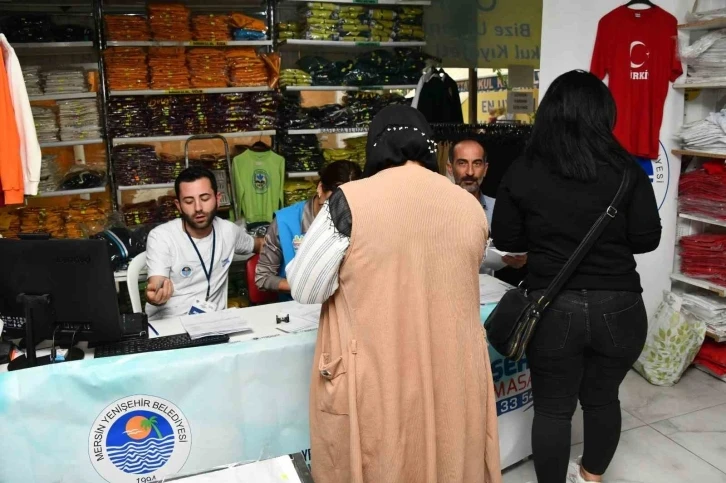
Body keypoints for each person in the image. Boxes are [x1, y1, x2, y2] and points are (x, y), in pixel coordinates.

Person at [287, 105, 502, 483]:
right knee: (450, 457)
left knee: (386, 460)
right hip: (453, 373)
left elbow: (305, 287)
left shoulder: (349, 201)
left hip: (379, 373)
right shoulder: (469, 207)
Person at [491, 70, 661, 483]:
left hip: (553, 308)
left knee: (553, 408)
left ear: (550, 113)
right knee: (603, 399)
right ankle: (590, 477)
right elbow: (647, 239)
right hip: (620, 306)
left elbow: (507, 240)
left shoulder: (524, 169)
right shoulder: (627, 170)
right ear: (604, 114)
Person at [145, 167, 262, 320]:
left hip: (214, 322)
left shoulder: (228, 231)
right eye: (189, 201)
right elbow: (157, 282)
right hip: (172, 323)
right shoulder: (161, 236)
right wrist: (156, 295)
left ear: (218, 199)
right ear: (178, 205)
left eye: (205, 199)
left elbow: (260, 245)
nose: (198, 208)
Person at [255, 160, 362, 298]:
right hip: (296, 304)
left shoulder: (358, 220)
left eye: (347, 207)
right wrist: (306, 287)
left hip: (343, 302)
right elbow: (263, 278)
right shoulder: (285, 222)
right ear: (320, 188)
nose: (339, 213)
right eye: (332, 204)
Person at [447, 138, 527, 273]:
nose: (470, 172)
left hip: (486, 285)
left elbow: (510, 251)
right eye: (462, 163)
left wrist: (516, 261)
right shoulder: (436, 210)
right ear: (450, 168)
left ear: (485, 169)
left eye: (477, 164)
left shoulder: (498, 208)